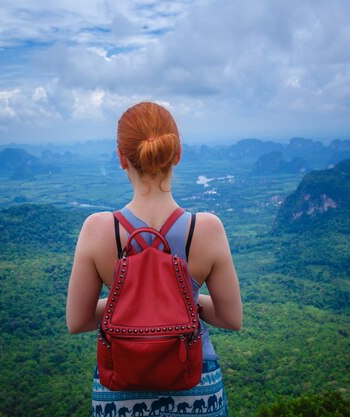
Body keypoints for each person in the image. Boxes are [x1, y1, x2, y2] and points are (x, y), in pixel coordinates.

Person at [66, 101, 242, 417]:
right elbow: (232, 318)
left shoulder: (97, 229)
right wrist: (184, 301)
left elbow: (77, 321)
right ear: (177, 154)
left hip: (119, 392)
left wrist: (132, 303)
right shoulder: (207, 229)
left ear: (121, 158)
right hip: (196, 386)